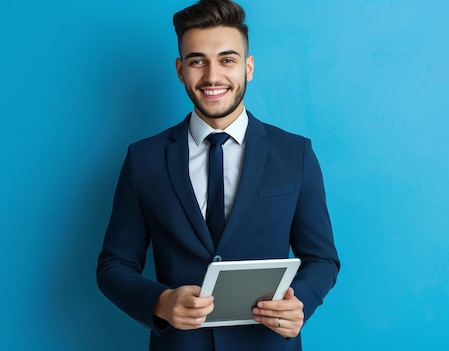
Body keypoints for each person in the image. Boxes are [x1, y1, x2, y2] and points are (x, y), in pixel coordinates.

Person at [96, 0, 340, 350]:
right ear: (180, 70)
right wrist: (161, 302)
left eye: (227, 60)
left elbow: (322, 258)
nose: (212, 77)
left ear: (249, 67)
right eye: (198, 61)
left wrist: (300, 300)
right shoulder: (143, 158)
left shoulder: (295, 154)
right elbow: (114, 266)